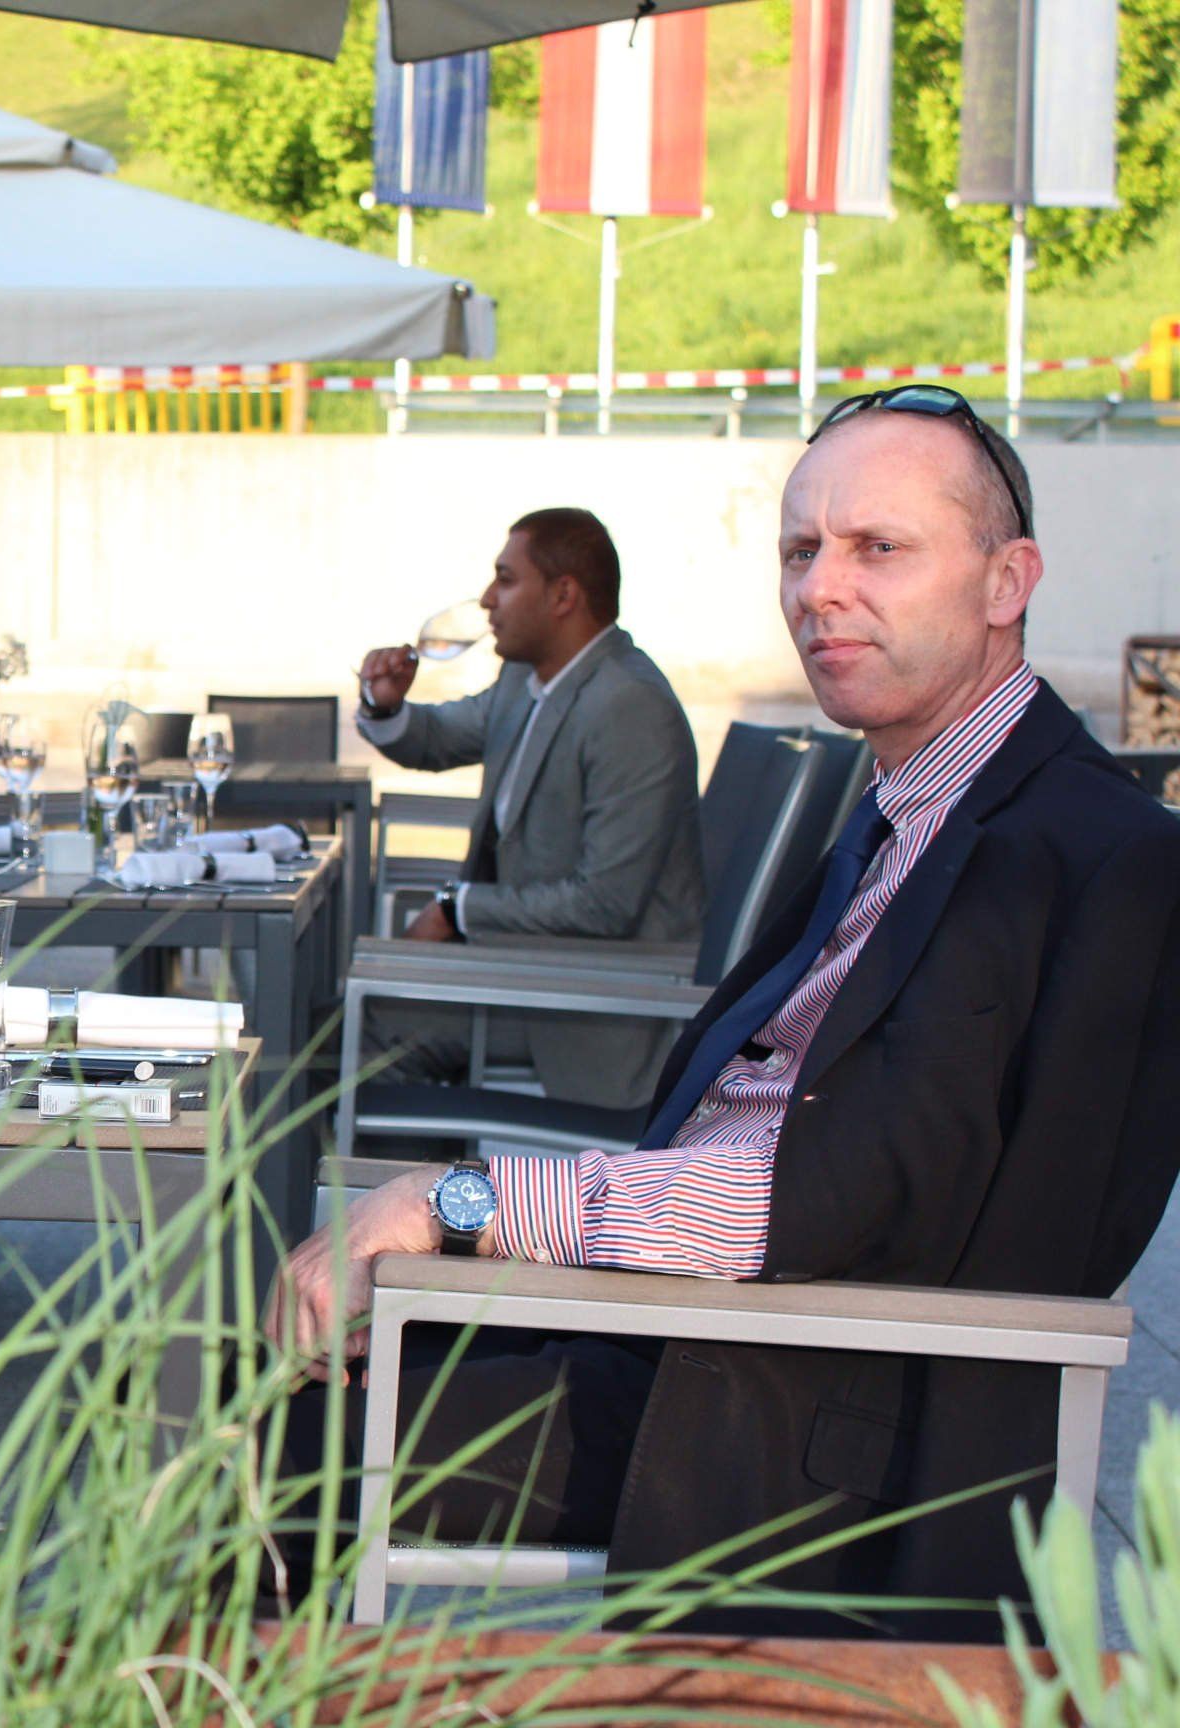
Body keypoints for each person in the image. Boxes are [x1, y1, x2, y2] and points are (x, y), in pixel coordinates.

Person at [268, 389, 1180, 1638]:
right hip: (682, 1327)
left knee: (250, 1437)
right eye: (801, 550)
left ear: (1006, 580)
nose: (820, 589)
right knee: (235, 1360)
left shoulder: (1072, 853)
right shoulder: (913, 803)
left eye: (879, 547)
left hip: (799, 1420)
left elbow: (838, 1193)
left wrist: (462, 1201)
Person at [354, 508, 704, 1110]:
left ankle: (397, 1176)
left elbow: (605, 904)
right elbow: (438, 738)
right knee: (333, 1013)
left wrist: (457, 908)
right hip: (520, 966)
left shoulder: (629, 706)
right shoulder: (525, 679)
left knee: (360, 1034)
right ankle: (417, 1166)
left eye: (506, 579)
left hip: (592, 1002)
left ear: (564, 595)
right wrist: (385, 706)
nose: (487, 599)